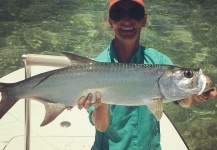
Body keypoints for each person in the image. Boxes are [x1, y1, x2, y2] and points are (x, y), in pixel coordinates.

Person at [77, 0, 217, 149]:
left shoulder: (159, 61)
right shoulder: (98, 66)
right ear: (110, 21)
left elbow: (186, 102)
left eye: (135, 13)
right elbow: (101, 126)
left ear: (143, 20)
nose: (127, 20)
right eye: (118, 14)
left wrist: (196, 89)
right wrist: (101, 102)